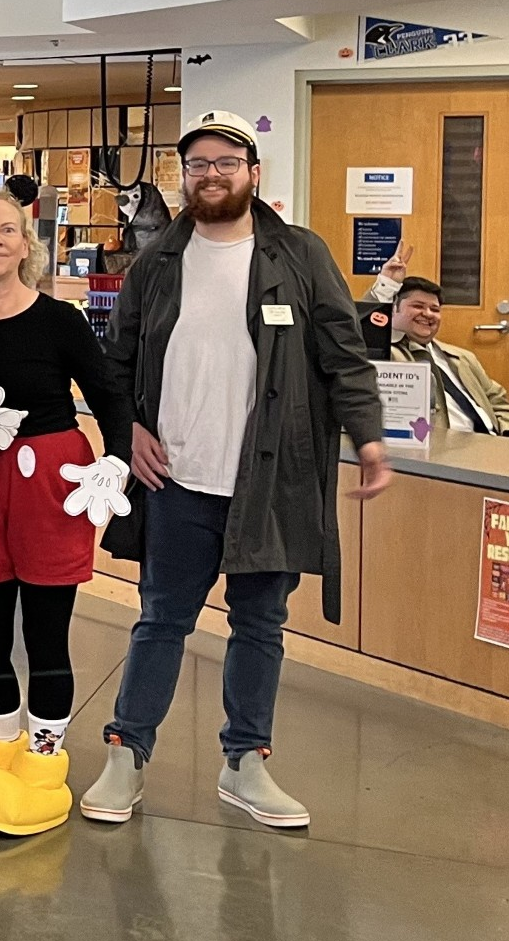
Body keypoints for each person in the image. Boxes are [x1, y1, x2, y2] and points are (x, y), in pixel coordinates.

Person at [80, 110, 393, 832]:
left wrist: (369, 437)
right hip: (177, 480)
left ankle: (245, 761)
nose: (211, 174)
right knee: (161, 619)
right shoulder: (156, 262)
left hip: (271, 478)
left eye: (226, 162)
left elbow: (344, 356)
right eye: (197, 165)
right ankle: (127, 753)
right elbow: (115, 364)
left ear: (254, 174)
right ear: (183, 177)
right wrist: (126, 430)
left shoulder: (301, 255)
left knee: (260, 624)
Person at [0, 186, 134, 838]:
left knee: (45, 629)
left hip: (49, 479)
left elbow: (108, 393)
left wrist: (116, 459)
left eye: (7, 230)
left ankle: (42, 763)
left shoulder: (59, 320)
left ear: (25, 244)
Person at [363, 248, 509, 437]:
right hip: (441, 452)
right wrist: (386, 285)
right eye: (417, 306)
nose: (428, 314)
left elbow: (498, 401)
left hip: (494, 444)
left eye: (435, 309)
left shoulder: (462, 357)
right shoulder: (384, 354)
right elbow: (362, 332)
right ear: (392, 311)